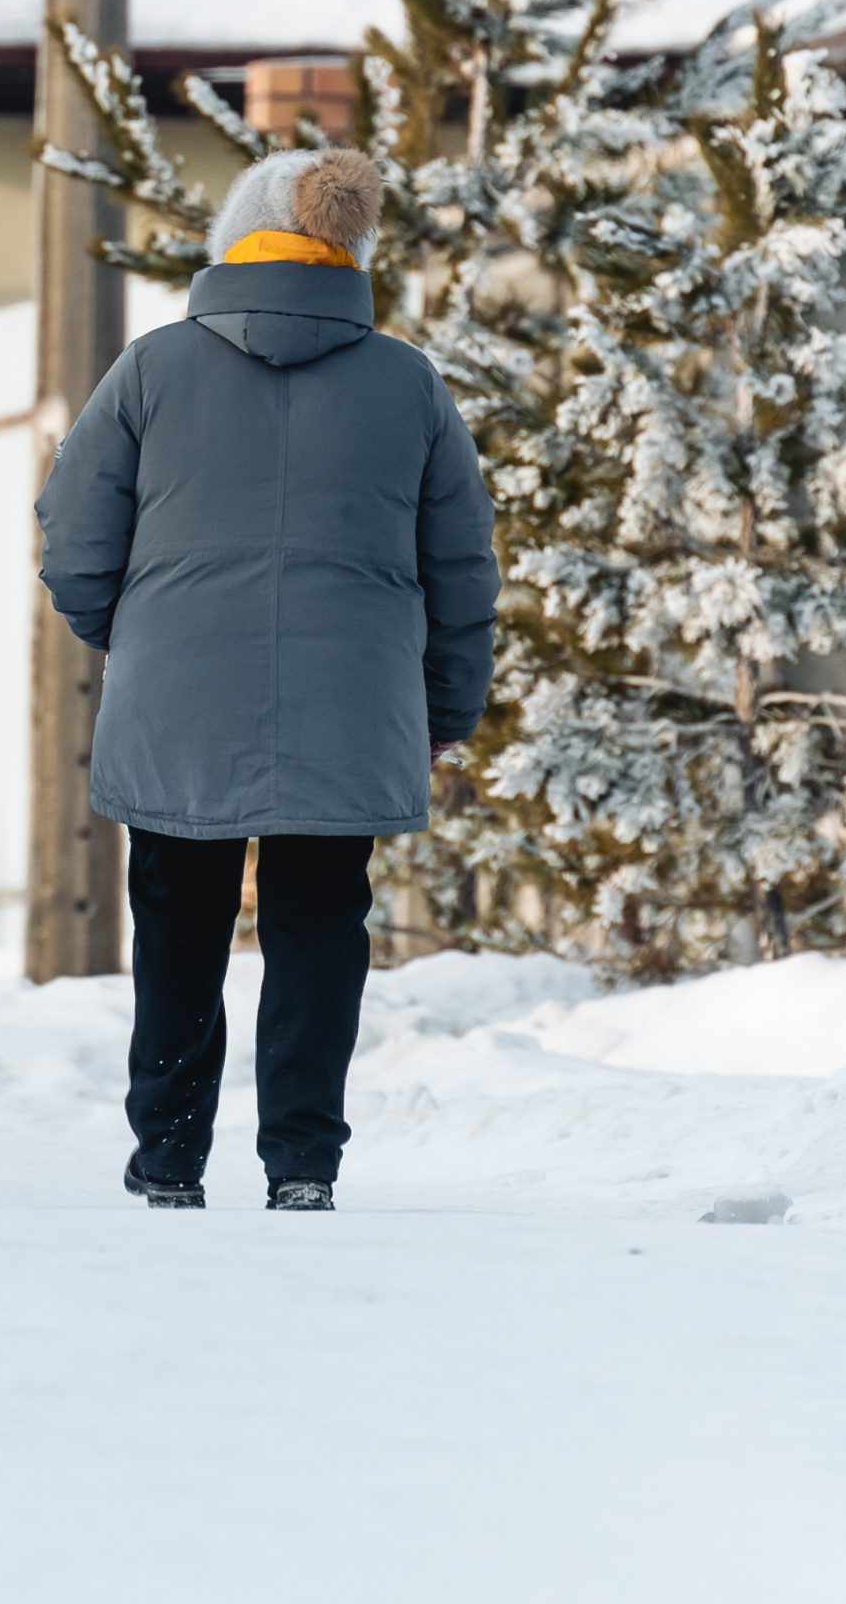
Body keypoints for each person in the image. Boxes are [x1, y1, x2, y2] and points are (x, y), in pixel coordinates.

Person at [34, 147, 499, 1213]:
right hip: (351, 701)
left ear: (234, 237)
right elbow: (463, 565)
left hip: (176, 694)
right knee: (320, 920)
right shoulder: (409, 383)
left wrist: (135, 632)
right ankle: (301, 1162)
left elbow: (71, 535)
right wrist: (445, 703)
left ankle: (168, 1155)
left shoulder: (151, 370)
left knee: (178, 916)